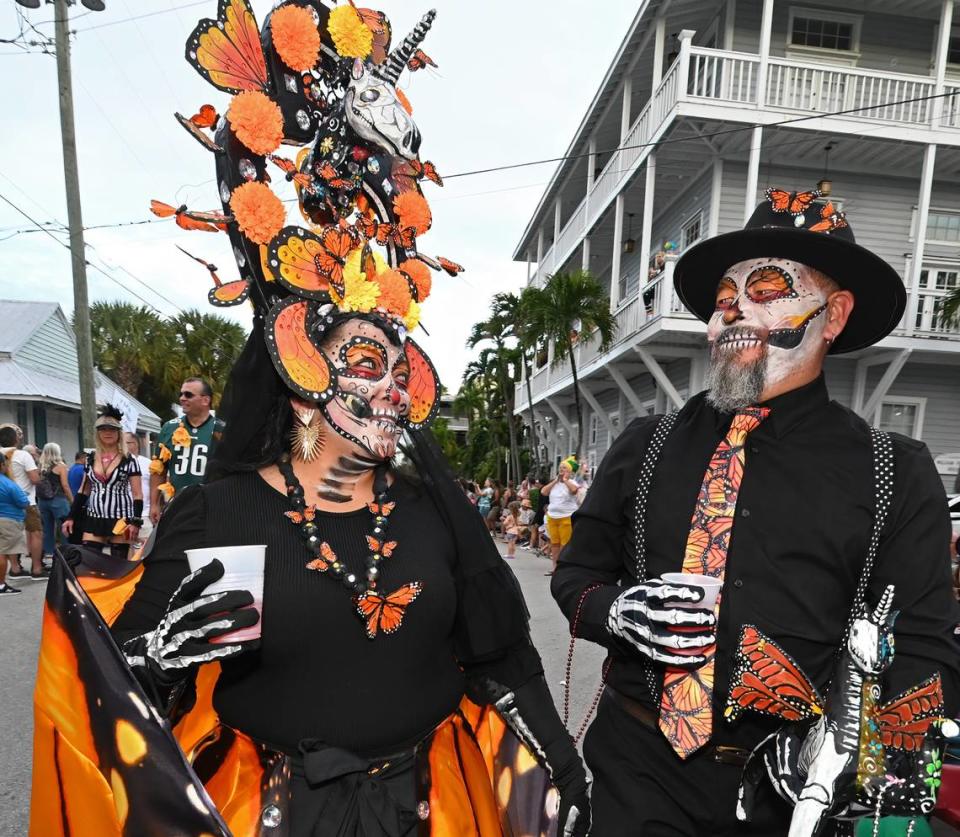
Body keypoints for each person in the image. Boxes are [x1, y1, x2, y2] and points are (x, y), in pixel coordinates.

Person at [31, 7, 591, 834]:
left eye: (403, 371)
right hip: (278, 814)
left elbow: (498, 651)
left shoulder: (434, 509)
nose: (398, 390)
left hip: (425, 811)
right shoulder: (219, 512)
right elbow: (128, 703)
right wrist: (158, 661)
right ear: (301, 376)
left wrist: (562, 767)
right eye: (370, 364)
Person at [551, 187, 960, 835]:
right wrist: (617, 612)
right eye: (723, 298)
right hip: (636, 775)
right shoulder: (645, 444)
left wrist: (886, 797)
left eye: (766, 288)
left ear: (834, 315)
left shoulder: (895, 474)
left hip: (791, 800)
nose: (732, 312)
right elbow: (574, 578)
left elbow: (922, 654)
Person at [63, 405, 143, 561]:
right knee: (89, 562)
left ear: (119, 433)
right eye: (103, 429)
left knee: (118, 566)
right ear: (97, 433)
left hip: (121, 518)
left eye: (112, 429)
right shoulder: (91, 458)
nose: (107, 433)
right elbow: (83, 490)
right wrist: (70, 517)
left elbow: (137, 494)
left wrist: (136, 522)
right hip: (95, 517)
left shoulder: (129, 459)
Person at [149, 377, 225, 524]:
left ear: (205, 400)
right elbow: (158, 470)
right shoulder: (169, 428)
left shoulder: (222, 429)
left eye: (188, 395)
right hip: (177, 505)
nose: (182, 398)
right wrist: (154, 504)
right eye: (181, 394)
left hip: (212, 505)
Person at [0, 424, 43, 579]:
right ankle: (37, 568)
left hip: (4, 502)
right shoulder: (23, 455)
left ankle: (16, 568)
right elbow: (34, 479)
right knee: (35, 533)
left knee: (11, 536)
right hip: (26, 500)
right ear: (15, 439)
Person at [541, 458, 580, 576]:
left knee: (565, 544)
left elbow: (574, 491)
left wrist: (565, 480)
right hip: (552, 516)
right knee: (554, 543)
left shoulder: (572, 483)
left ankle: (564, 568)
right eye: (560, 468)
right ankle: (555, 567)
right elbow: (543, 492)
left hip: (566, 516)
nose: (561, 470)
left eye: (564, 468)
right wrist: (555, 481)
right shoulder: (554, 483)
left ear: (570, 471)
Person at [36, 442, 73, 561]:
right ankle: (66, 553)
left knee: (47, 529)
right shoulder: (61, 466)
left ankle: (48, 555)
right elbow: (65, 485)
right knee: (64, 527)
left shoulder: (40, 467)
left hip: (43, 501)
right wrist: (72, 500)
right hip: (59, 500)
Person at [0, 466, 29, 596]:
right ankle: (1, 584)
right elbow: (23, 502)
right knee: (2, 553)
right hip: (8, 519)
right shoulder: (8, 483)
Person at [125, 432, 153, 547]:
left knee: (143, 552)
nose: (123, 445)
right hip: (122, 516)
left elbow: (156, 488)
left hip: (144, 515)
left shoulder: (148, 464)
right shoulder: (117, 463)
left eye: (127, 442)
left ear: (136, 444)